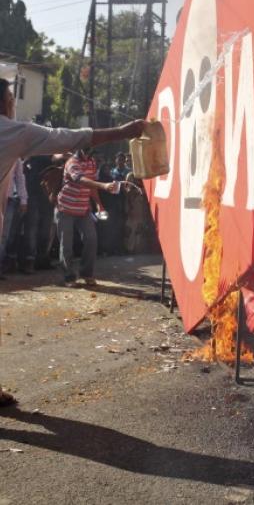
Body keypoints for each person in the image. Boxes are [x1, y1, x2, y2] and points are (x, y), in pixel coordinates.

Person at [0, 77, 147, 406]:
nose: (12, 102)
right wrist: (126, 131)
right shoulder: (14, 131)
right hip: (63, 210)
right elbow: (70, 137)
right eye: (10, 97)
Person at [56, 149, 118, 285]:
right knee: (66, 245)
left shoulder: (91, 162)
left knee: (91, 239)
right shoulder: (72, 162)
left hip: (83, 210)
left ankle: (86, 274)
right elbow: (81, 179)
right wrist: (104, 185)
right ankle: (69, 277)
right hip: (65, 209)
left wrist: (98, 205)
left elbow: (91, 186)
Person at [0, 159, 27, 279]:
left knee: (3, 236)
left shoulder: (14, 153)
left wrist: (23, 199)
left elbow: (20, 178)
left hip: (8, 199)